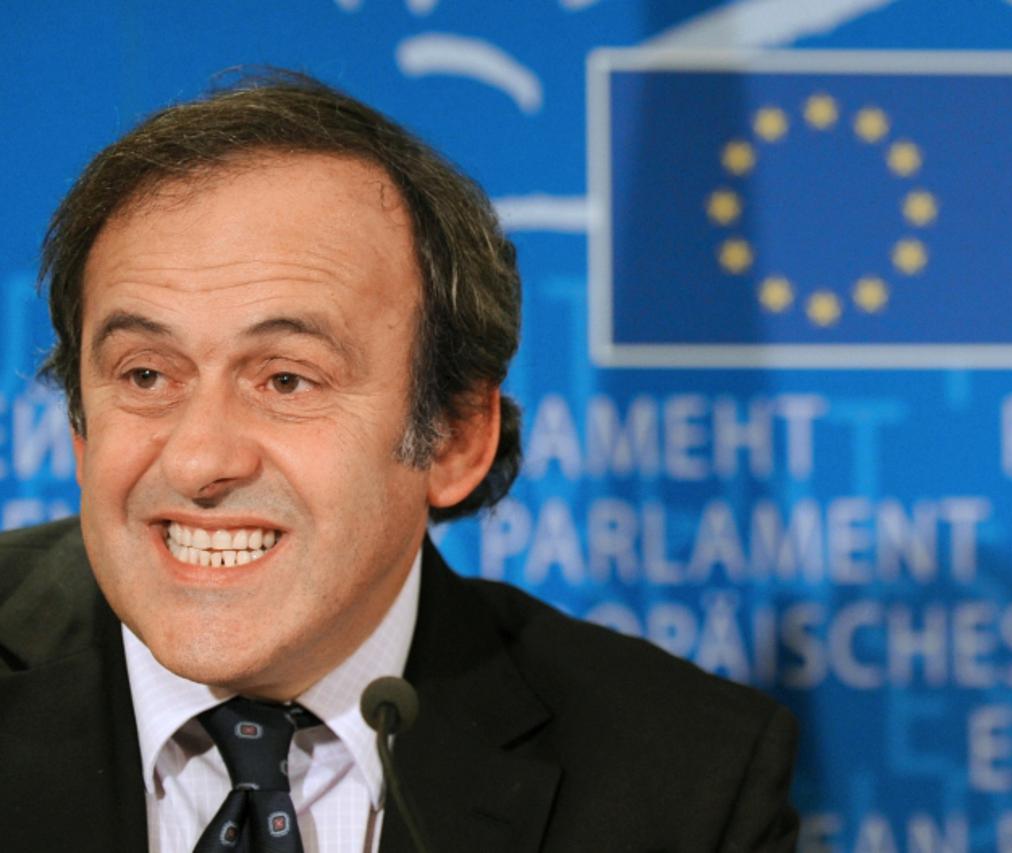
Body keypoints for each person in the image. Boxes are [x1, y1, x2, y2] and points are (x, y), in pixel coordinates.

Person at [0, 71, 798, 852]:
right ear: (80, 424)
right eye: (145, 375)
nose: (199, 456)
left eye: (286, 379)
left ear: (453, 438)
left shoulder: (682, 782)